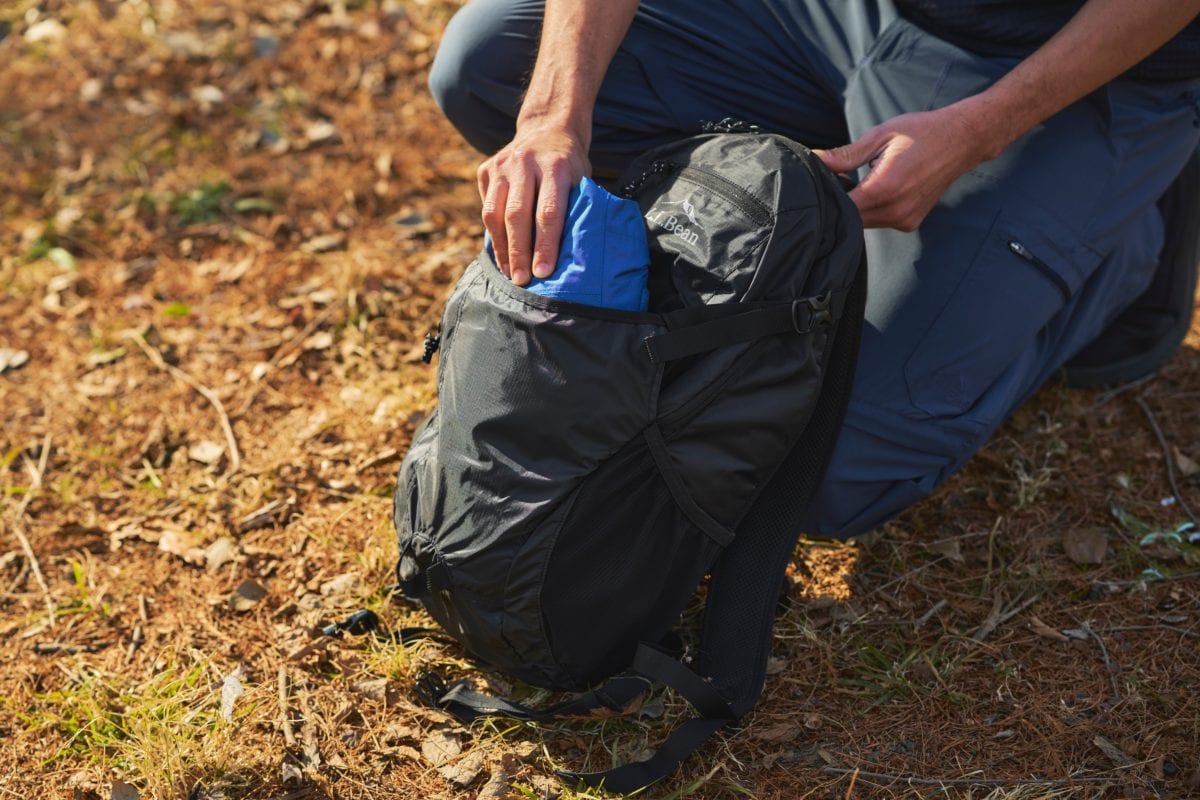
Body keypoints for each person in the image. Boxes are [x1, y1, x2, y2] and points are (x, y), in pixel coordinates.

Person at [426, 0, 1200, 538]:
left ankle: (1123, 237)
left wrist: (979, 133)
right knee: (488, 65)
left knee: (820, 471)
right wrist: (552, 118)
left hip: (1063, 66)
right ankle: (826, 172)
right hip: (833, 15)